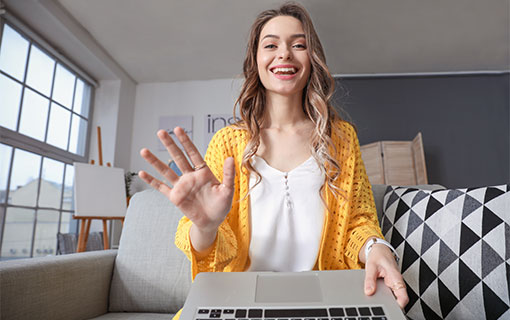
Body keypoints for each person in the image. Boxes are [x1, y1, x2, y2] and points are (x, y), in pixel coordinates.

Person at [139, 2, 409, 319]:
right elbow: (208, 250)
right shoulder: (228, 141)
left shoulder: (341, 138)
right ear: (256, 60)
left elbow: (358, 222)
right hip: (238, 299)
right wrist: (207, 226)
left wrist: (377, 247)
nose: (284, 54)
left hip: (325, 297)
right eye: (271, 45)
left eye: (298, 45)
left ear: (313, 59)